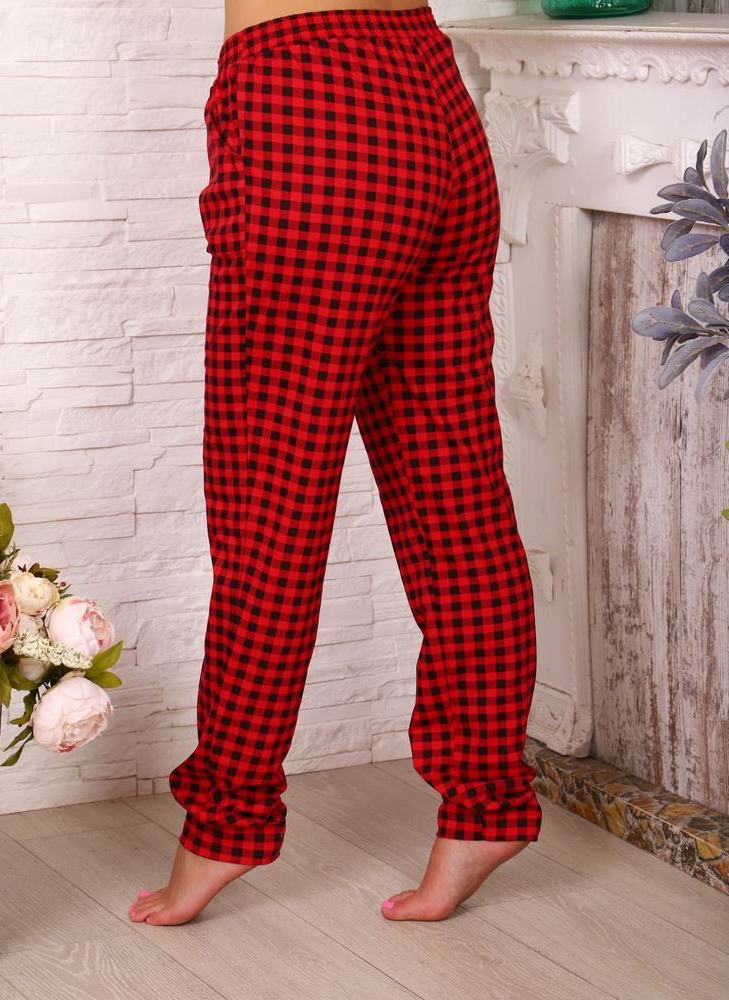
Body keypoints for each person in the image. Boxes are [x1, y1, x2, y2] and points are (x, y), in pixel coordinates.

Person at [129, 0, 543, 928]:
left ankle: (227, 820)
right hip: (431, 93)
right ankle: (485, 804)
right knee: (458, 499)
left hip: (305, 103)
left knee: (271, 506)